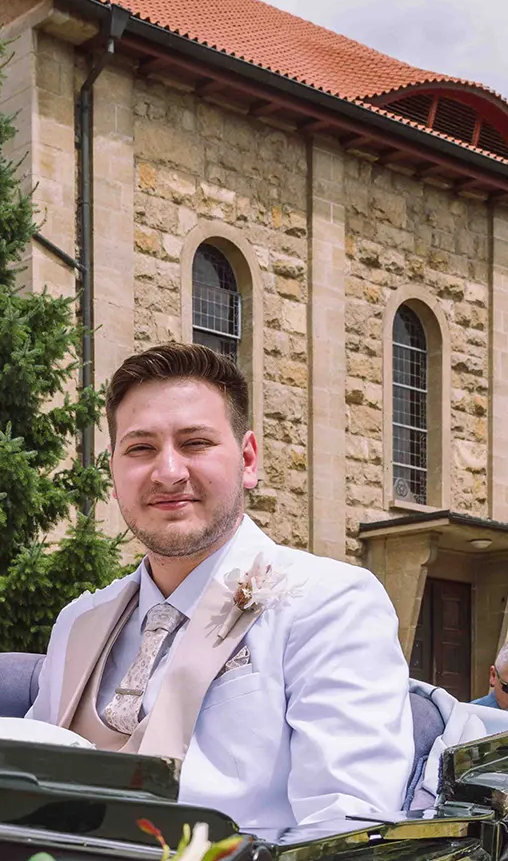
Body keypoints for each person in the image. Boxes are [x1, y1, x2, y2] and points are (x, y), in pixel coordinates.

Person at [27, 343, 413, 833]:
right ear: (114, 472)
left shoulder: (331, 604)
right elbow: (29, 786)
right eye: (141, 448)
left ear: (248, 460)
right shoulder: (77, 621)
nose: (168, 472)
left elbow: (347, 827)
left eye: (195, 443)